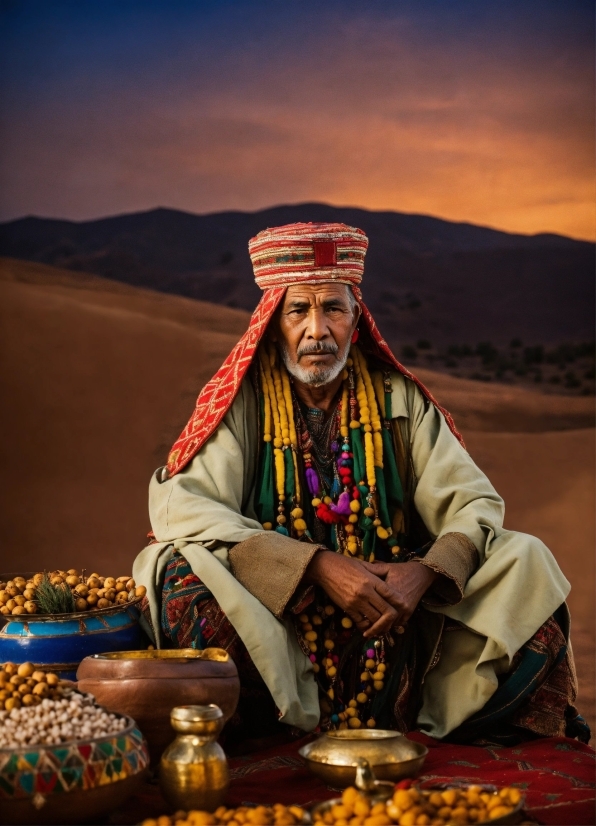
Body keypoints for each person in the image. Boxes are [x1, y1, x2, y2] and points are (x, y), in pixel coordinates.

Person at [134, 222, 588, 748]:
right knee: (181, 571)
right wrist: (315, 566)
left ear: (356, 318)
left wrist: (422, 574)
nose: (317, 330)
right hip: (277, 632)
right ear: (272, 321)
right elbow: (185, 509)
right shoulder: (244, 404)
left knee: (526, 560)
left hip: (397, 626)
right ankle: (265, 732)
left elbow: (473, 503)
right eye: (298, 310)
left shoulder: (398, 400)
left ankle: (480, 729)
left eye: (334, 308)